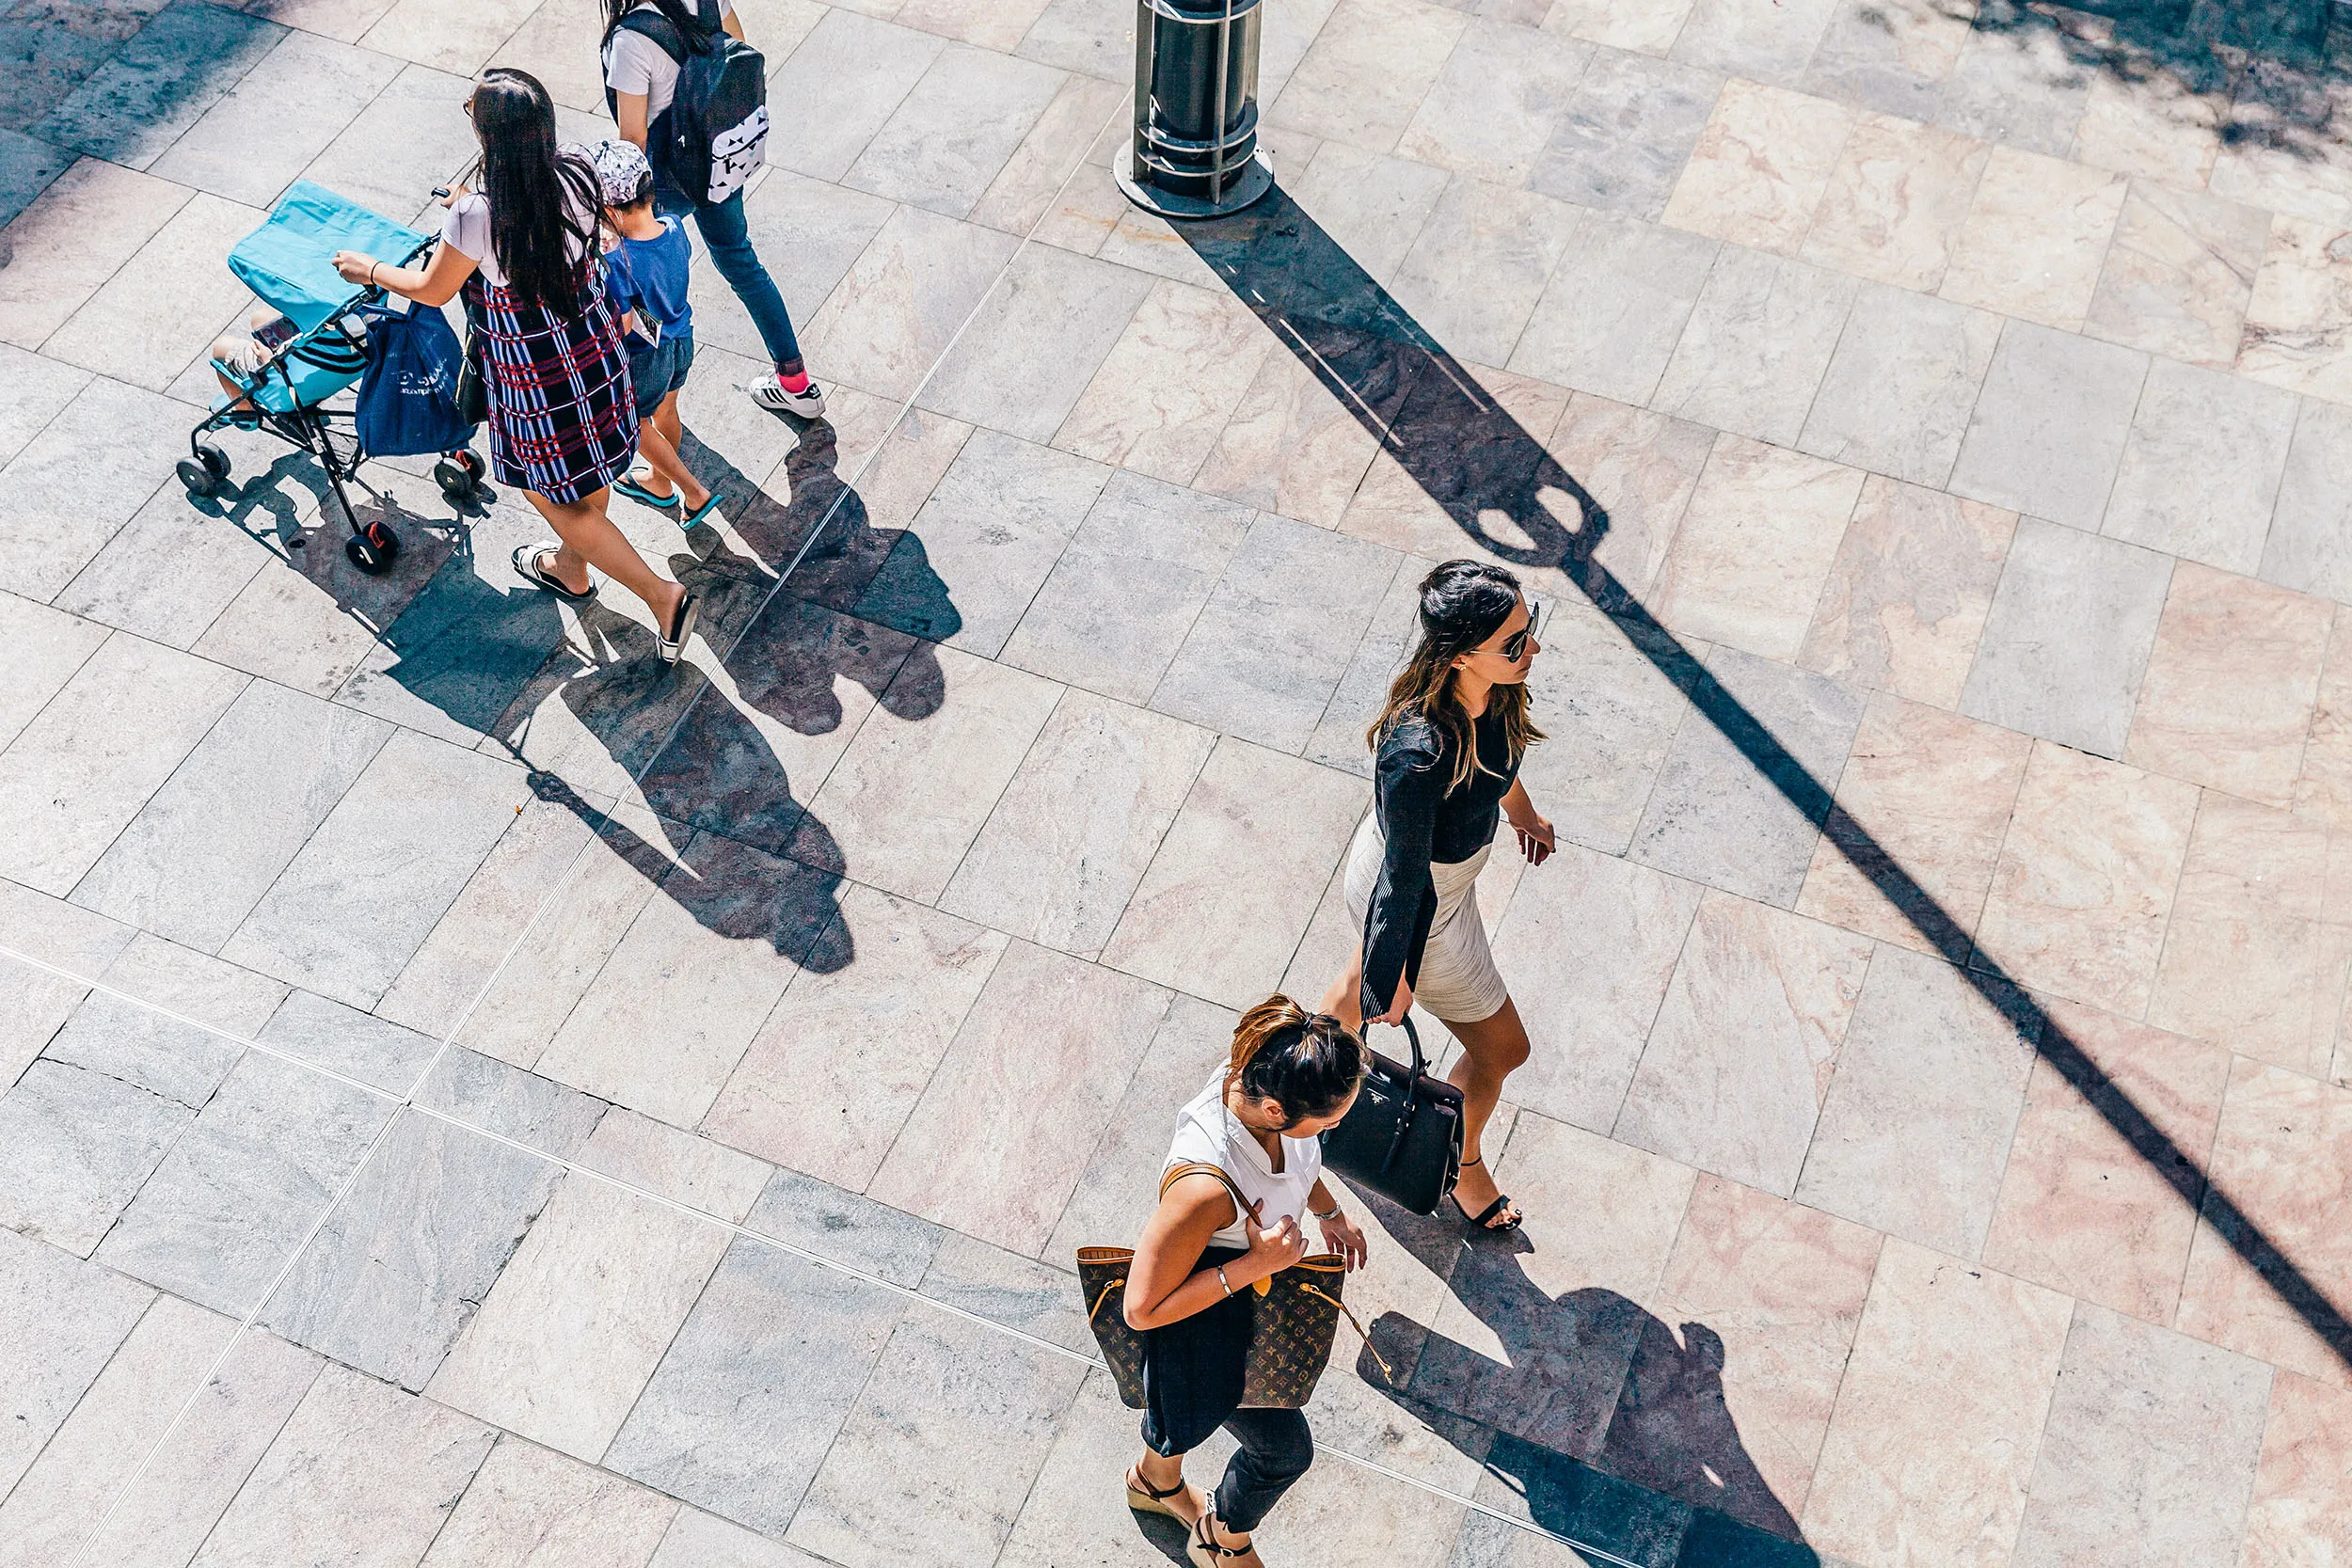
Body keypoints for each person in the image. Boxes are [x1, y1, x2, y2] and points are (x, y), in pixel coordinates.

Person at [332, 68, 700, 665]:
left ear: (492, 139)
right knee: (591, 469)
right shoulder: (579, 170)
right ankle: (570, 569)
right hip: (597, 346)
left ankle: (662, 596)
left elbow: (431, 289)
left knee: (547, 491)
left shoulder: (478, 214)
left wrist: (368, 270)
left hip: (539, 372)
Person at [1322, 561, 1555, 1234]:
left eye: (1528, 628)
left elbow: (1500, 765)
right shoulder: (1418, 752)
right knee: (1504, 1049)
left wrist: (1525, 816)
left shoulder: (1495, 693)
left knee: (1363, 985)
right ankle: (1466, 1164)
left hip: (1434, 882)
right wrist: (1394, 972)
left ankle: (1314, 1068)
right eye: (1514, 642)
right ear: (1458, 657)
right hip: (1419, 901)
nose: (1531, 648)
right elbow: (1403, 878)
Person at [1121, 996, 1368, 1568]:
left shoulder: (1260, 1077)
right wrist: (1256, 1267)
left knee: (1180, 1412)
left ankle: (1154, 1483)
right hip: (1208, 1316)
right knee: (1284, 1452)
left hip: (1244, 1293)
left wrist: (1329, 1213)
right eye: (1331, 1121)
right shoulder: (1204, 1188)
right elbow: (1141, 1308)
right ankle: (1220, 1540)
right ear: (1278, 1109)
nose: (1335, 1129)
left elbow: (1296, 1160)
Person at [601, 0, 825, 418]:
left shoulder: (631, 39)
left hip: (666, 178)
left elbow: (633, 143)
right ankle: (795, 382)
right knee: (742, 263)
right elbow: (737, 52)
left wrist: (609, 213)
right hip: (718, 160)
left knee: (640, 280)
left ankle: (647, 400)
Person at [588, 139, 719, 526]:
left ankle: (694, 493)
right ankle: (658, 483)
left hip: (646, 357)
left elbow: (625, 322)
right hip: (682, 340)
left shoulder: (617, 260)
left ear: (609, 210)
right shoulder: (675, 228)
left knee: (637, 425)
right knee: (667, 411)